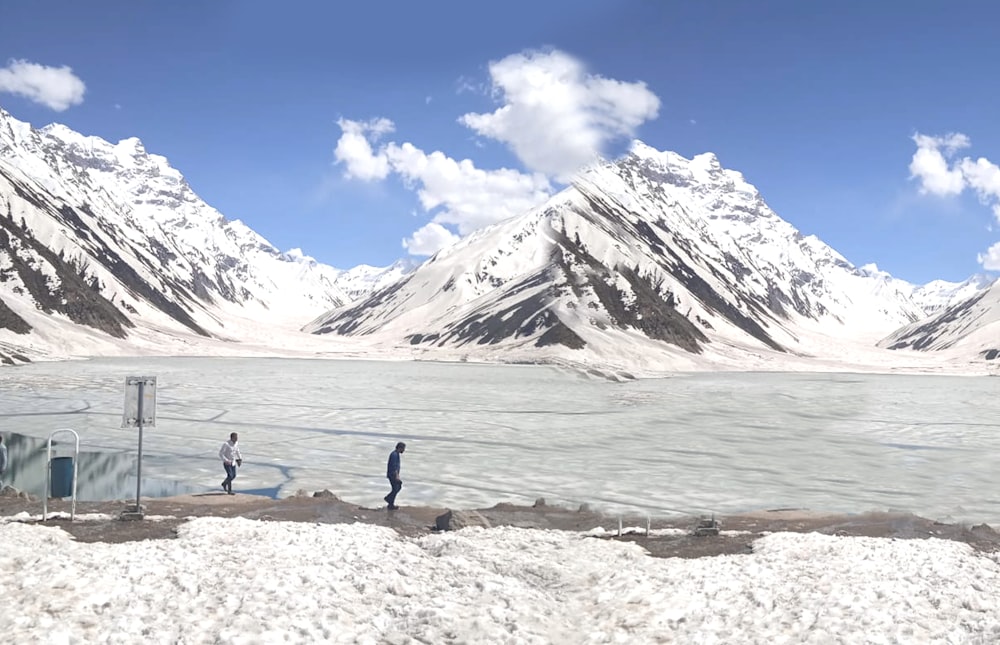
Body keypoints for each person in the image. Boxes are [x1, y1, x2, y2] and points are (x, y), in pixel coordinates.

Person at [384, 441, 406, 510]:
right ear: (400, 448)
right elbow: (394, 466)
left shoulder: (396, 454)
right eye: (403, 448)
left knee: (396, 488)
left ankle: (390, 504)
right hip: (392, 475)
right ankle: (388, 499)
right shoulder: (394, 454)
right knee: (397, 488)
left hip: (393, 474)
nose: (404, 450)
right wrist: (397, 476)